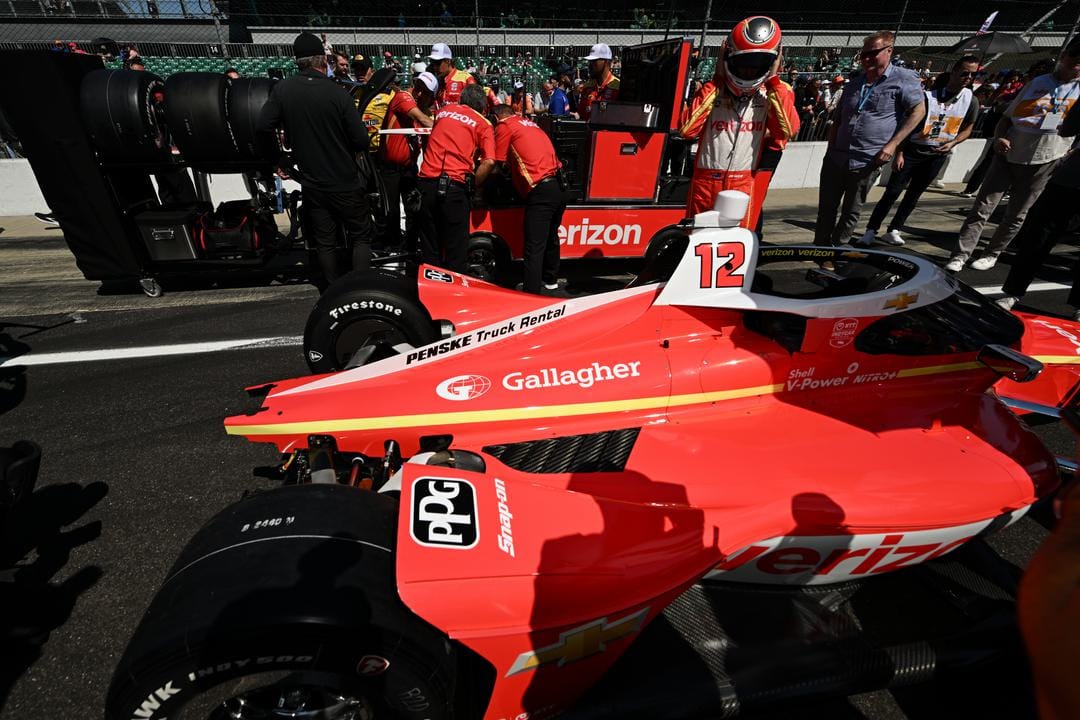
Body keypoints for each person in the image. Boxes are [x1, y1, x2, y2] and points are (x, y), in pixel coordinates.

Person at [947, 40, 1080, 272]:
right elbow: (1006, 118)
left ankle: (992, 253)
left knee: (1017, 213)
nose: (1075, 63)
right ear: (1064, 56)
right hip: (1008, 154)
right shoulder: (1039, 83)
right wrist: (1000, 138)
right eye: (1073, 56)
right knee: (982, 207)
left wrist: (1067, 154)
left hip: (1046, 160)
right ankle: (960, 254)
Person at [258, 32, 374, 287]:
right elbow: (361, 141)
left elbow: (263, 126)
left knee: (325, 241)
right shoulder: (337, 93)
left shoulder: (283, 90)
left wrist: (279, 158)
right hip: (344, 180)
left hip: (313, 182)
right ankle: (360, 289)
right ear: (323, 61)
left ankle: (331, 290)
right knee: (360, 236)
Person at [678, 16, 800, 229]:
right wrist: (716, 81)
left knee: (737, 246)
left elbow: (788, 130)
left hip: (743, 185)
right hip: (705, 183)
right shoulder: (711, 91)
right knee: (696, 243)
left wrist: (773, 82)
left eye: (757, 64)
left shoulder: (776, 93)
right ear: (728, 57)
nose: (749, 71)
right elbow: (686, 130)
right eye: (743, 64)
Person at [813, 30, 926, 247]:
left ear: (889, 51)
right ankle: (819, 248)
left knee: (850, 211)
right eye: (863, 55)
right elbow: (838, 119)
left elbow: (918, 112)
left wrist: (892, 145)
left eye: (872, 54)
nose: (866, 59)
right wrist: (830, 148)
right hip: (836, 157)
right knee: (826, 208)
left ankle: (838, 251)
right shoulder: (855, 82)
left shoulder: (903, 78)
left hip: (867, 159)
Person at [856, 55, 981, 247]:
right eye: (965, 73)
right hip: (912, 150)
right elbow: (907, 124)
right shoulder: (927, 96)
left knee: (913, 195)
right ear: (954, 71)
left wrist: (954, 142)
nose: (968, 77)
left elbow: (968, 128)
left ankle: (895, 229)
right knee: (892, 192)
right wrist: (900, 152)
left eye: (973, 74)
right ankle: (871, 229)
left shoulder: (970, 100)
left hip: (937, 154)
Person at [995, 106, 1080, 316]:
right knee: (1039, 236)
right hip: (1070, 179)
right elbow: (1068, 128)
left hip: (1069, 179)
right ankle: (1012, 292)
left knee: (1040, 235)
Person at [415, 84, 496, 274]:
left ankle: (429, 294)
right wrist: (473, 185)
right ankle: (454, 298)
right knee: (456, 252)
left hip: (425, 183)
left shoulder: (443, 112)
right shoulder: (483, 123)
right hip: (454, 187)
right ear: (483, 106)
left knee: (430, 249)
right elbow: (490, 161)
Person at [492, 104, 566, 295]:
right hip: (559, 186)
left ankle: (531, 292)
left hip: (540, 189)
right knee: (550, 237)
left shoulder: (505, 126)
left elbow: (496, 164)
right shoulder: (530, 124)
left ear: (497, 117)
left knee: (534, 246)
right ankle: (551, 281)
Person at [377, 72, 437, 250]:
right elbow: (423, 120)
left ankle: (409, 244)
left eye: (424, 92)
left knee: (414, 208)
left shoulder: (425, 110)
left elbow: (427, 145)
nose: (418, 93)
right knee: (392, 210)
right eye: (418, 87)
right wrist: (447, 127)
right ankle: (392, 244)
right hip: (390, 166)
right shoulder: (404, 97)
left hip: (408, 166)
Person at [574, 43, 619, 120]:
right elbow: (581, 114)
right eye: (590, 61)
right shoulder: (587, 87)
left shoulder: (618, 87)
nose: (591, 64)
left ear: (605, 62)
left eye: (594, 61)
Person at [428, 42, 475, 108]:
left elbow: (475, 108)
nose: (435, 67)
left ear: (448, 61)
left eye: (437, 63)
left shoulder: (466, 78)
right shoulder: (435, 81)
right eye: (432, 62)